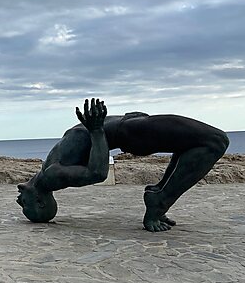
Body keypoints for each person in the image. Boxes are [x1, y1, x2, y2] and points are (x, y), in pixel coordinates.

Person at [16, 99, 229, 232]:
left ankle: (159, 195)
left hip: (130, 125)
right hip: (131, 133)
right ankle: (160, 200)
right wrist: (97, 130)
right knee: (215, 141)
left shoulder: (47, 166)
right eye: (25, 206)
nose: (18, 199)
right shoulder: (52, 176)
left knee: (199, 143)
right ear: (40, 202)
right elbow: (97, 173)